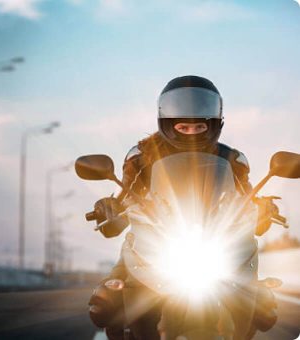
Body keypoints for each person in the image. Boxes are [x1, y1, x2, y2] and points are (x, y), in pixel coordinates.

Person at [88, 75, 279, 339]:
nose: (191, 132)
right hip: (154, 240)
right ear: (167, 122)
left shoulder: (232, 159)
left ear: (213, 124)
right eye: (183, 127)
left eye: (198, 127)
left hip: (216, 240)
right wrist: (109, 207)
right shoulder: (142, 156)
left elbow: (247, 199)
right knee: (107, 300)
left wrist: (264, 208)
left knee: (260, 300)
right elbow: (125, 196)